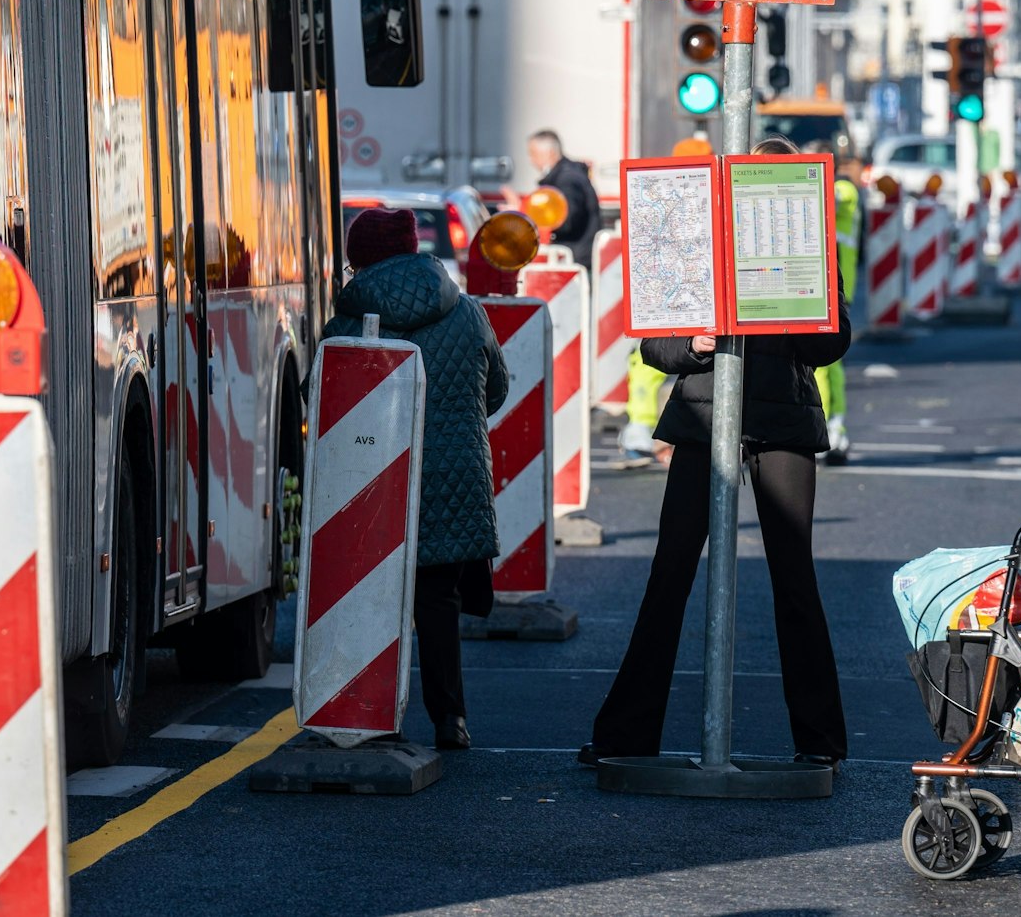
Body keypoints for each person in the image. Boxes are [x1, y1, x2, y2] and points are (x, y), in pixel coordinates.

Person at [580, 135, 854, 769]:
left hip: (777, 423)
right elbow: (654, 347)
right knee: (671, 573)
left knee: (793, 580)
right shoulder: (702, 244)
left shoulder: (812, 246)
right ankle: (627, 736)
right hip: (708, 420)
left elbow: (833, 343)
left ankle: (820, 743)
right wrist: (696, 343)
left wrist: (800, 312)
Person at [325, 207, 510, 750]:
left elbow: (326, 403)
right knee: (437, 600)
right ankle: (450, 719)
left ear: (360, 261)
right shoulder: (467, 312)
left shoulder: (347, 322)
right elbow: (495, 392)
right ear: (413, 248)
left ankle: (371, 718)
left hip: (373, 485)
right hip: (453, 476)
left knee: (370, 598)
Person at [818, 152, 862, 464]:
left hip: (833, 289)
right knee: (829, 366)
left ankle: (829, 427)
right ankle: (834, 428)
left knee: (825, 364)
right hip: (831, 287)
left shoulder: (843, 191)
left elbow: (830, 198)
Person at [526, 129, 602, 270]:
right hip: (575, 256)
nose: (531, 160)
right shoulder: (567, 176)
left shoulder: (567, 180)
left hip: (574, 260)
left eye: (533, 154)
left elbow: (565, 220)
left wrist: (527, 213)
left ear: (549, 153)